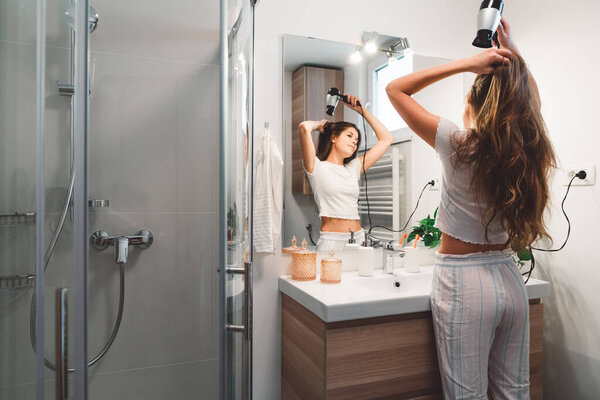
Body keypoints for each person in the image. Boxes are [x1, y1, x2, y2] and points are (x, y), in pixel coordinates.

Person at [386, 18, 557, 399]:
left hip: (464, 283)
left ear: (474, 104)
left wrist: (467, 63)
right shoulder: (528, 150)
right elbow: (530, 103)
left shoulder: (460, 143)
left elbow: (395, 89)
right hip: (510, 280)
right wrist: (512, 54)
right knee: (515, 392)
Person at [299, 94, 393, 251]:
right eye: (349, 136)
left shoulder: (353, 168)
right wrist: (320, 125)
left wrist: (363, 112)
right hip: (332, 241)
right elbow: (304, 127)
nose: (354, 142)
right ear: (334, 137)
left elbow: (386, 138)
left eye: (356, 141)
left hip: (359, 238)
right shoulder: (316, 167)